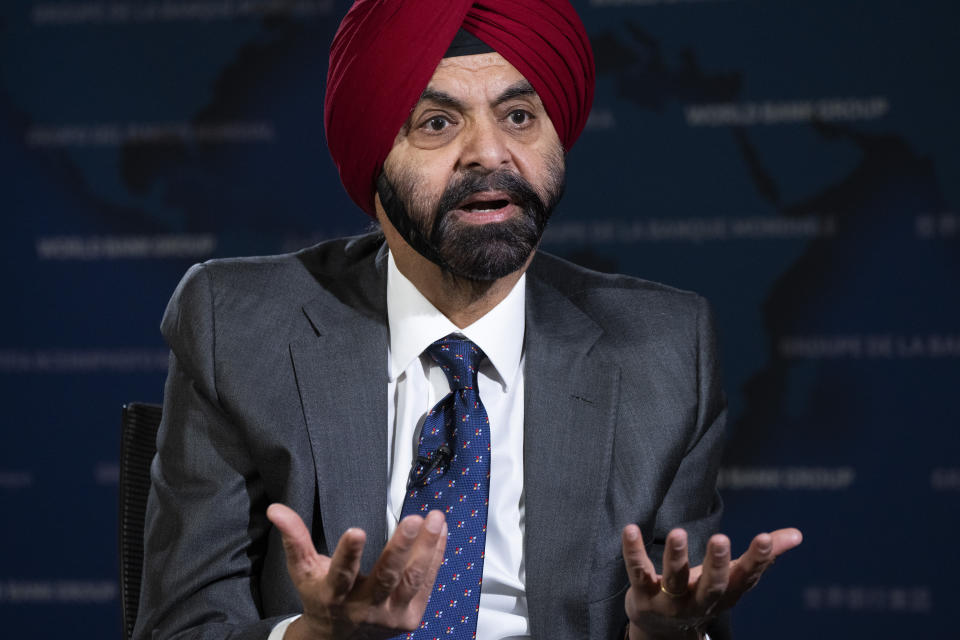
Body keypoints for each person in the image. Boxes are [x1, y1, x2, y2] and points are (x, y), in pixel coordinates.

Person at [134, 1, 802, 639]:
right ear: (374, 161)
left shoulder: (664, 349)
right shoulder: (240, 325)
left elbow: (679, 610)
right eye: (436, 123)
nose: (489, 153)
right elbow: (180, 628)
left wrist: (664, 632)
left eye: (518, 116)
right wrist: (316, 636)